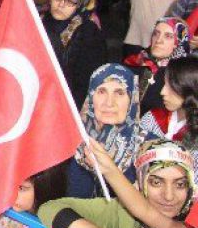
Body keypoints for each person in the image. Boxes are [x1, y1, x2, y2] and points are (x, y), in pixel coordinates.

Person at [41, 139, 196, 228]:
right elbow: (49, 209)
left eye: (180, 184)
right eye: (156, 182)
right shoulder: (122, 212)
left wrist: (110, 170)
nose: (168, 196)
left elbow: (146, 213)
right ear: (141, 182)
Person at [68, 64, 158, 198]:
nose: (109, 103)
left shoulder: (150, 148)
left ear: (132, 98)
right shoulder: (72, 139)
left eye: (120, 93)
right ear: (91, 96)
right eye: (101, 91)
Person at [42, 0, 106, 107]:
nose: (61, 4)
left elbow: (86, 83)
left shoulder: (88, 33)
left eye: (70, 1)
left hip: (68, 104)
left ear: (81, 5)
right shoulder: (41, 21)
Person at [125, 17, 192, 112]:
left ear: (179, 43)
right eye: (156, 34)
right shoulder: (137, 62)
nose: (158, 40)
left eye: (168, 36)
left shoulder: (182, 75)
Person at [140, 56, 198, 144]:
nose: (162, 92)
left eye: (171, 86)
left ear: (190, 89)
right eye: (164, 84)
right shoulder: (152, 119)